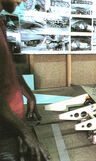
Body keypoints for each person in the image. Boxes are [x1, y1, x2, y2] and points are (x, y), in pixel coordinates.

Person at [0, 0, 50, 160]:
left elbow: (5, 67)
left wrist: (27, 92)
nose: (24, 0)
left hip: (13, 126)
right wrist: (26, 133)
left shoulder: (0, 22)